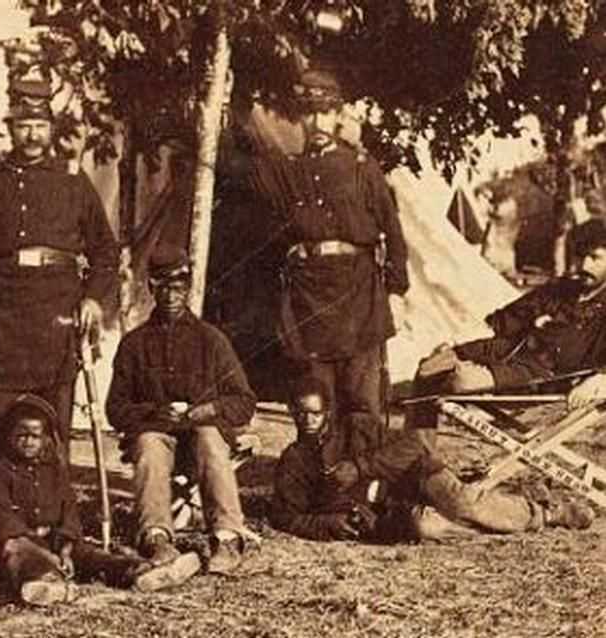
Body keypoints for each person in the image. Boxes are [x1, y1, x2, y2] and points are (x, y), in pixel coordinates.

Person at [0, 80, 119, 477]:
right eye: (23, 125)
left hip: (56, 316)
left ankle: (54, 515)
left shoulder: (72, 180)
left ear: (51, 128)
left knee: (53, 419)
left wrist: (92, 300)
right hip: (0, 317)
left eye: (39, 125)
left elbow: (105, 249)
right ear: (10, 127)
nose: (31, 135)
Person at [249, 67, 409, 422]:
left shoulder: (361, 168)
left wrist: (396, 292)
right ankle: (323, 473)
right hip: (308, 294)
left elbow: (393, 233)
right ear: (298, 119)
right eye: (308, 113)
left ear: (337, 115)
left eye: (324, 112)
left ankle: (365, 473)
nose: (317, 122)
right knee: (315, 395)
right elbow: (250, 148)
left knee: (362, 395)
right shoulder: (288, 171)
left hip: (357, 292)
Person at [272, 376, 594, 543]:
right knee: (428, 528)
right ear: (291, 412)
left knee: (462, 504)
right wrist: (326, 524)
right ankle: (508, 519)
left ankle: (548, 512)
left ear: (327, 411)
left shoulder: (356, 425)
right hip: (383, 511)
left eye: (315, 412)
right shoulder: (294, 461)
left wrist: (359, 467)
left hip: (416, 477)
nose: (308, 419)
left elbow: (414, 444)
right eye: (300, 413)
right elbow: (286, 516)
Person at [106, 245, 258, 576]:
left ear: (188, 288)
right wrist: (157, 414)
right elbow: (115, 410)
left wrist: (206, 411)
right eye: (163, 287)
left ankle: (227, 538)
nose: (172, 296)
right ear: (150, 288)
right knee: (149, 443)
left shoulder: (211, 340)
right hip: (158, 438)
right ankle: (157, 537)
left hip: (200, 442)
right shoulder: (134, 344)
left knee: (209, 436)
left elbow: (244, 401)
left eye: (178, 287)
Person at [0, 393, 198, 606]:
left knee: (92, 557)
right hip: (23, 546)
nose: (28, 442)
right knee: (21, 555)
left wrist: (66, 548)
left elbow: (69, 513)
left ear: (46, 438)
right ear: (9, 437)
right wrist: (44, 554)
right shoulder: (0, 473)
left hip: (55, 542)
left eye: (35, 436)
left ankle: (138, 571)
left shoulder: (55, 472)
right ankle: (45, 584)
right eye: (21, 435)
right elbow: (2, 522)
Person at [407, 217, 606, 432]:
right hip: (510, 349)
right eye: (581, 256)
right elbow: (504, 319)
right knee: (429, 368)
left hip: (546, 374)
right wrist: (456, 342)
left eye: (595, 258)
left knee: (460, 381)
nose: (585, 265)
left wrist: (599, 381)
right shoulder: (561, 289)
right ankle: (419, 452)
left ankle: (418, 452)